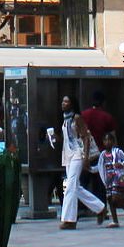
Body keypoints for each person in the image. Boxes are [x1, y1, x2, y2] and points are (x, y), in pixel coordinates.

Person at [51, 94, 105, 229]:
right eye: (63, 101)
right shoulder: (64, 120)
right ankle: (100, 208)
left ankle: (69, 220)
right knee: (75, 186)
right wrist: (53, 137)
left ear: (72, 104)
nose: (63, 103)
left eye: (67, 101)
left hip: (78, 153)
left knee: (70, 185)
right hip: (68, 154)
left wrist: (86, 157)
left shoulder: (77, 118)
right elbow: (66, 139)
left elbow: (86, 137)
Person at [97, 132, 124, 227]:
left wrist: (121, 164)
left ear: (113, 141)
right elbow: (99, 166)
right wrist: (90, 168)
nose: (107, 142)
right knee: (110, 199)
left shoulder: (118, 152)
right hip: (108, 180)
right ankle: (116, 220)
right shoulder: (102, 155)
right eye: (105, 140)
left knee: (115, 199)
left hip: (117, 179)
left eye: (109, 140)